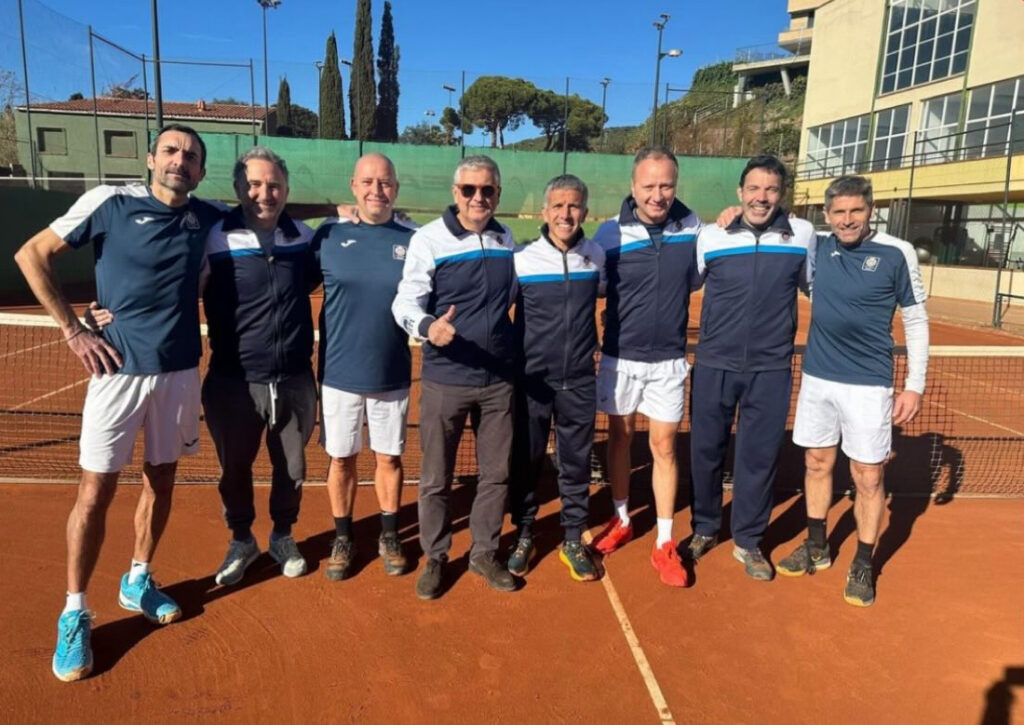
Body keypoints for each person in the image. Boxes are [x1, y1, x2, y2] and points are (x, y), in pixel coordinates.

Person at [15, 125, 223, 682]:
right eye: (171, 151)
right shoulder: (109, 202)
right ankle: (75, 611)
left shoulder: (208, 216)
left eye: (191, 156)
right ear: (151, 158)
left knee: (162, 480)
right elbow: (31, 254)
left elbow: (268, 210)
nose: (180, 161)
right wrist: (73, 328)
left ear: (201, 172)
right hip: (115, 374)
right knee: (95, 492)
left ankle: (138, 578)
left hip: (179, 372)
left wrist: (341, 212)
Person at [777, 175, 928, 607]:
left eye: (856, 211)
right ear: (826, 215)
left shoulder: (897, 252)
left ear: (871, 210)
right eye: (839, 212)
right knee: (817, 462)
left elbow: (915, 320)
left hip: (869, 384)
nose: (847, 220)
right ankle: (817, 545)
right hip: (818, 378)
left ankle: (863, 561)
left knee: (868, 475)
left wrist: (914, 386)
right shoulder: (818, 245)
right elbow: (771, 219)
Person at [392, 155, 517, 600]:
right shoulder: (428, 239)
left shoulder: (505, 238)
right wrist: (428, 327)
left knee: (496, 474)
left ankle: (484, 553)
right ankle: (436, 555)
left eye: (487, 190)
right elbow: (404, 303)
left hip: (499, 381)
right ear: (455, 192)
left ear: (497, 193)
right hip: (446, 380)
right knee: (435, 477)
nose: (478, 198)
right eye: (469, 189)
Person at [687, 155, 815, 581]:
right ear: (740, 192)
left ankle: (748, 540)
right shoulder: (711, 235)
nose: (762, 197)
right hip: (713, 364)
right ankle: (705, 527)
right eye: (754, 189)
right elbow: (688, 280)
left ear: (782, 195)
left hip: (770, 369)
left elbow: (816, 286)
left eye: (771, 189)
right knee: (705, 452)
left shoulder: (802, 235)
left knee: (758, 458)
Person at [201, 147, 318, 585]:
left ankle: (283, 535)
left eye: (274, 185)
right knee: (234, 468)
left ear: (286, 190)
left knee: (292, 468)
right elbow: (170, 284)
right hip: (233, 381)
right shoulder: (214, 238)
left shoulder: (304, 238)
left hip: (294, 378)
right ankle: (241, 538)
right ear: (238, 187)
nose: (264, 193)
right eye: (253, 184)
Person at [590, 147, 700, 587]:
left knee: (664, 446)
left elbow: (699, 274)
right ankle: (622, 519)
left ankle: (665, 541)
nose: (658, 195)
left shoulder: (694, 228)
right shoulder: (609, 233)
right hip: (619, 358)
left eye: (666, 185)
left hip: (669, 361)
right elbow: (593, 283)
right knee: (619, 437)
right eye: (649, 185)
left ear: (676, 185)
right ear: (633, 187)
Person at [313, 153, 417, 580]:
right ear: (354, 187)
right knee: (342, 460)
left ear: (396, 188)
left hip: (391, 372)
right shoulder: (327, 235)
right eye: (368, 182)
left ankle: (389, 534)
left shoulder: (415, 239)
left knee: (389, 458)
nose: (377, 190)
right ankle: (343, 537)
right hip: (338, 376)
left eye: (385, 182)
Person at [506, 174, 606, 583]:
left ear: (585, 211)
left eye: (574, 205)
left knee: (576, 463)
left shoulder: (596, 256)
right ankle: (524, 533)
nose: (566, 214)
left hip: (579, 380)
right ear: (544, 212)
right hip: (532, 381)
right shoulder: (522, 260)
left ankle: (572, 538)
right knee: (526, 461)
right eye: (558, 206)